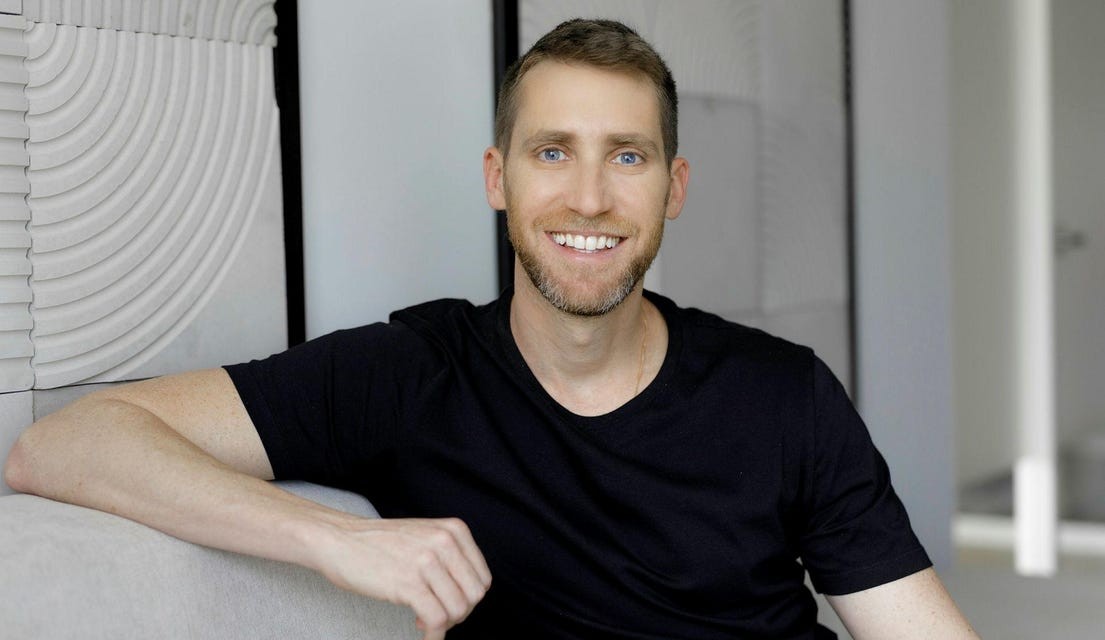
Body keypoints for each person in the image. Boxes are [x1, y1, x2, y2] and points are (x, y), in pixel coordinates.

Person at [4, 18, 977, 640]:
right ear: (495, 178)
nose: (588, 196)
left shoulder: (783, 393)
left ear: (673, 187)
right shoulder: (406, 376)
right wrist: (331, 539)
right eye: (551, 152)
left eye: (627, 156)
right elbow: (64, 444)